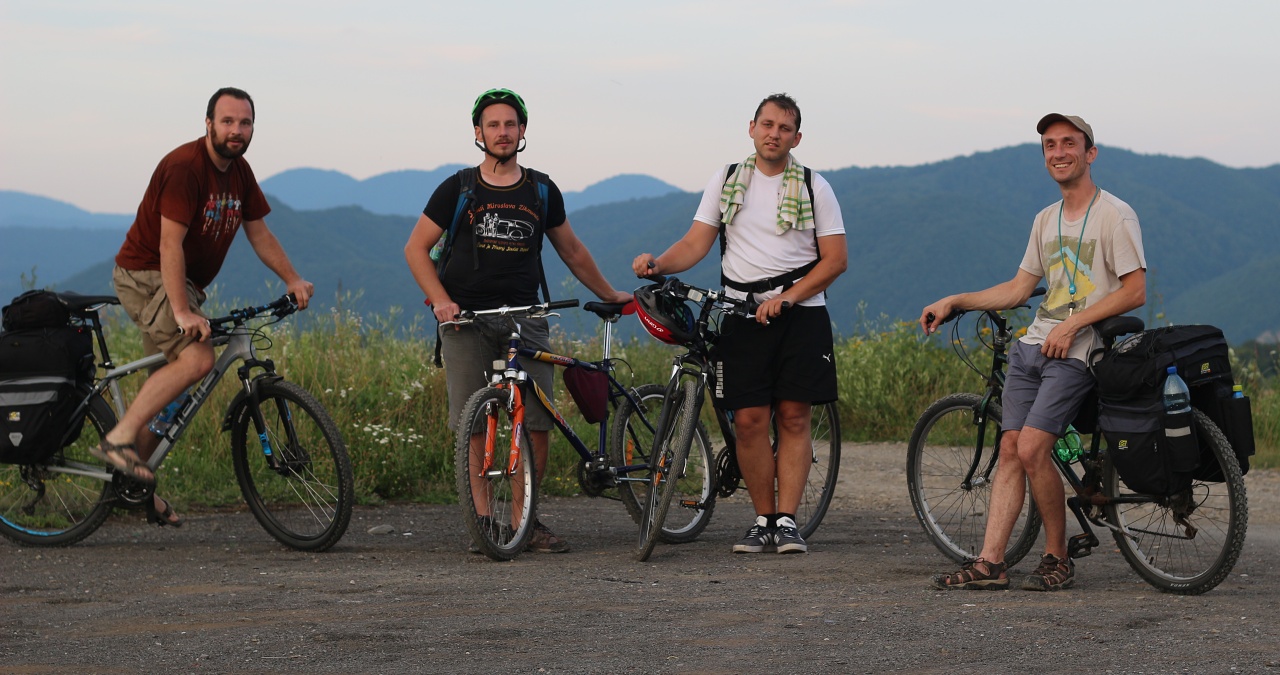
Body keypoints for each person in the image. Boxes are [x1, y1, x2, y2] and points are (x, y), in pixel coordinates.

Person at [920, 114, 1147, 591]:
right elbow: (1020, 287)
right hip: (1034, 345)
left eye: (1069, 143)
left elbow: (1134, 291)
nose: (1059, 152)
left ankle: (1057, 555)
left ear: (1090, 153)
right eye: (1049, 145)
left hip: (1079, 351)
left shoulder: (1115, 214)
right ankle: (991, 563)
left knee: (1031, 446)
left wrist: (1074, 323)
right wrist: (955, 300)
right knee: (1009, 448)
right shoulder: (1045, 219)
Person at [405, 88, 631, 554]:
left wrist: (608, 293)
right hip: (465, 321)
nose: (502, 133)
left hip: (527, 318)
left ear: (523, 131)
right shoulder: (459, 187)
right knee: (474, 421)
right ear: (478, 133)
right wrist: (441, 301)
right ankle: (483, 521)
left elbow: (571, 250)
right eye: (493, 125)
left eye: (510, 124)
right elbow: (416, 249)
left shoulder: (541, 190)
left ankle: (524, 521)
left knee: (536, 423)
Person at [632, 93, 848, 554]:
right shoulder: (728, 180)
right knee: (749, 420)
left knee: (793, 415)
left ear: (797, 137)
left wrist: (788, 299)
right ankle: (762, 518)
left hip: (801, 313)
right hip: (740, 312)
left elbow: (835, 261)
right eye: (767, 124)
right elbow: (697, 243)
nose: (774, 133)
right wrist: (659, 264)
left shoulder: (815, 186)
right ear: (751, 127)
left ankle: (786, 522)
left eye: (784, 128)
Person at [101, 87, 314, 527]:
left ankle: (135, 490)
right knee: (197, 358)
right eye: (228, 121)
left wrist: (292, 279)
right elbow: (168, 244)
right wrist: (182, 311)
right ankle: (118, 439)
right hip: (147, 276)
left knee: (167, 388)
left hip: (182, 284)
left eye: (245, 123)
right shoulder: (185, 167)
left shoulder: (239, 172)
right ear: (208, 124)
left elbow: (259, 233)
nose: (237, 131)